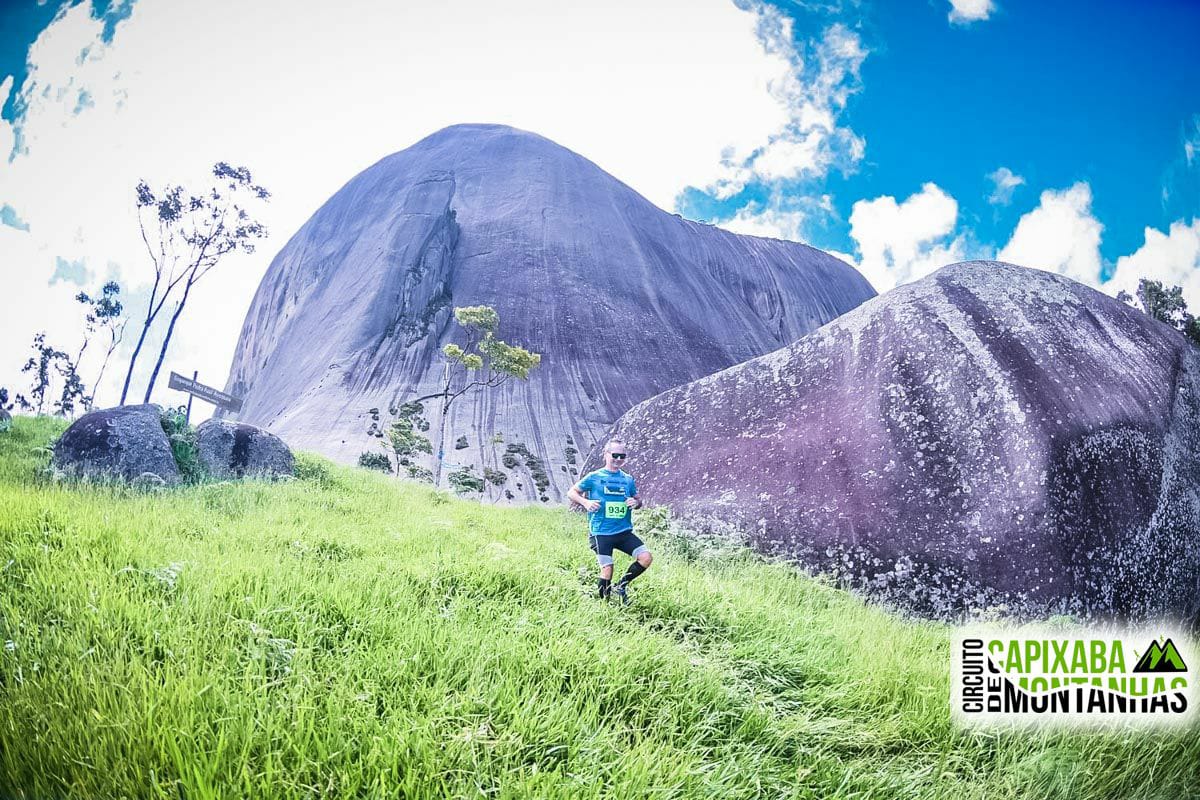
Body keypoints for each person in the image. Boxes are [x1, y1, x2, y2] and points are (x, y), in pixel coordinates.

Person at [567, 438, 652, 604]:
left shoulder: (628, 479)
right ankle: (604, 606)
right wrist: (586, 502)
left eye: (622, 456)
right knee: (607, 569)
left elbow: (638, 499)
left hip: (623, 532)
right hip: (601, 532)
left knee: (646, 558)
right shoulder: (594, 477)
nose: (618, 459)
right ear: (606, 455)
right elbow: (572, 492)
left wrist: (636, 503)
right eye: (615, 455)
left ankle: (621, 587)